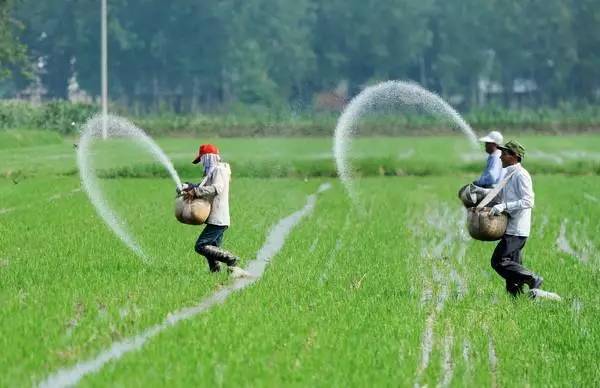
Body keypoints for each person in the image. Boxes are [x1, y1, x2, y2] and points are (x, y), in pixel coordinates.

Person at [488, 140, 543, 296]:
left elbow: (528, 201)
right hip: (510, 227)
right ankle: (516, 301)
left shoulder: (521, 174)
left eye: (503, 154)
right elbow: (500, 196)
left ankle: (533, 278)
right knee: (513, 270)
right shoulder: (509, 173)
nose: (500, 157)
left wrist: (503, 206)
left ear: (514, 156)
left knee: (498, 261)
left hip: (517, 229)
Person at [178, 144, 240, 273]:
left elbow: (217, 188)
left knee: (201, 246)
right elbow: (205, 186)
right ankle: (216, 273)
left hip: (218, 218)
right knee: (212, 248)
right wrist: (188, 187)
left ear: (208, 158)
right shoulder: (213, 171)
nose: (201, 163)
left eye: (202, 159)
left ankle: (231, 259)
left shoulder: (219, 170)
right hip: (215, 217)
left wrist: (195, 191)